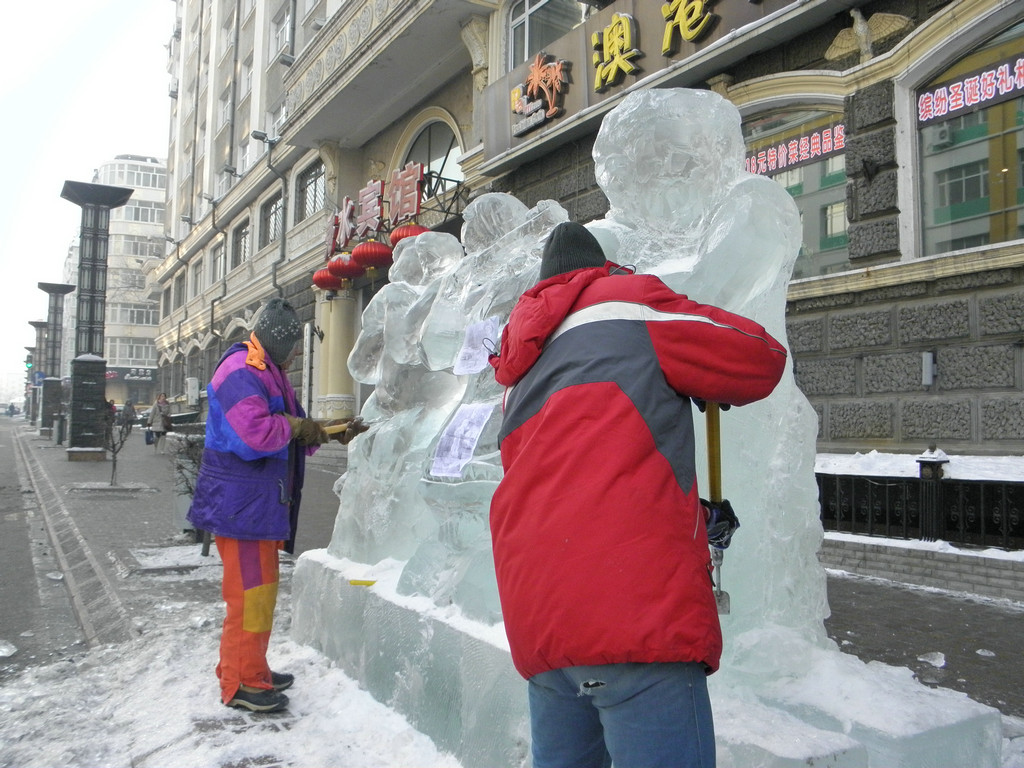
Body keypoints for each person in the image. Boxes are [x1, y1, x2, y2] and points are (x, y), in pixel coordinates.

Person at [488, 222, 788, 768]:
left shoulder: (516, 372)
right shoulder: (626, 302)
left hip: (541, 627)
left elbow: (575, 484)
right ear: (597, 267)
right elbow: (759, 357)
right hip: (634, 612)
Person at [187, 298, 367, 713]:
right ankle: (242, 683)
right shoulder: (240, 371)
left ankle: (251, 668)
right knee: (250, 598)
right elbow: (255, 435)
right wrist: (301, 428)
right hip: (242, 509)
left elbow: (293, 425)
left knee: (260, 596)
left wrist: (329, 431)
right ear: (280, 342)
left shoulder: (269, 370)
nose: (300, 353)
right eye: (296, 346)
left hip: (258, 507)